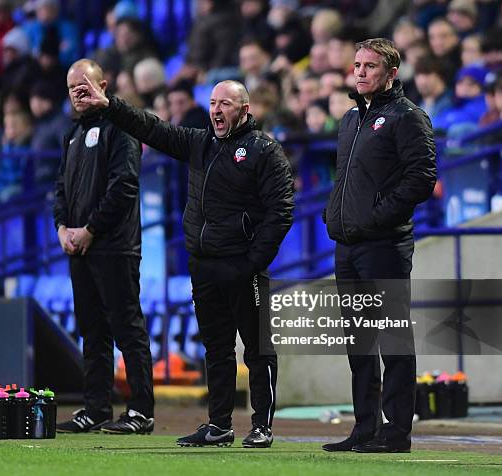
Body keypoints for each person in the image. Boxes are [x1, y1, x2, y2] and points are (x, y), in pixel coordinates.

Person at [75, 69, 294, 448]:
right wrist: (111, 106)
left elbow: (282, 211)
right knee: (217, 350)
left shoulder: (264, 150)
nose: (216, 110)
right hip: (205, 265)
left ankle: (262, 425)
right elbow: (152, 128)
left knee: (257, 349)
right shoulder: (199, 143)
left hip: (243, 266)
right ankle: (219, 424)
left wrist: (253, 261)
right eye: (211, 103)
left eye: (224, 103)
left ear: (244, 109)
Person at [323, 38, 436, 453]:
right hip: (348, 244)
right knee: (360, 343)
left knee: (392, 340)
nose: (361, 72)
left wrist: (376, 216)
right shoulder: (351, 118)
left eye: (370, 66)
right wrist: (335, 214)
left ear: (391, 73)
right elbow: (347, 179)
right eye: (357, 65)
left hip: (384, 244)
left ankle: (396, 432)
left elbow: (422, 177)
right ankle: (364, 428)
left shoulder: (408, 117)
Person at [53, 59, 154, 435]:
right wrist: (63, 227)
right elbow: (61, 188)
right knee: (92, 331)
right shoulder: (72, 134)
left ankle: (141, 410)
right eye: (72, 87)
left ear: (104, 85)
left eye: (85, 84)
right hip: (80, 247)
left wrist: (90, 230)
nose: (79, 91)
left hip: (114, 247)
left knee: (127, 329)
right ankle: (96, 408)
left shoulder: (121, 127)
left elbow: (124, 185)